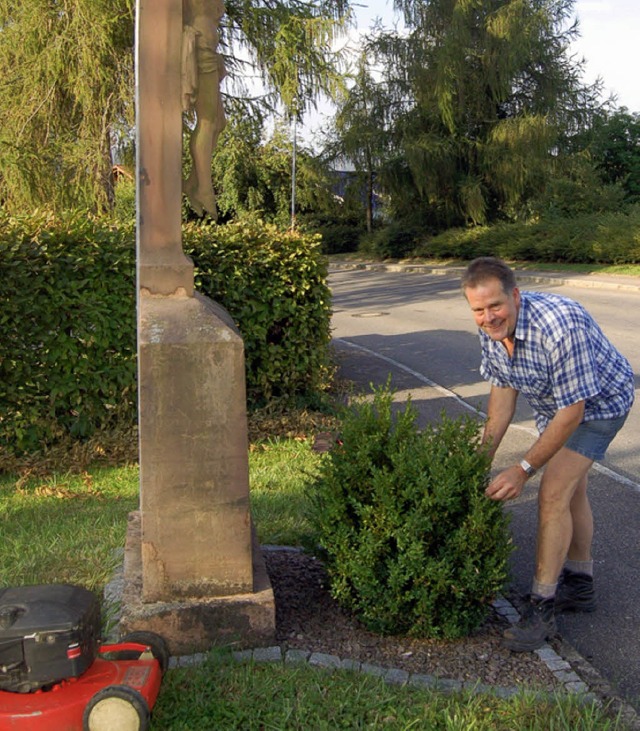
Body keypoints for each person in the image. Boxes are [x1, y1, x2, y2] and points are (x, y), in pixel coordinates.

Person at [462, 257, 634, 652]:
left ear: (515, 296)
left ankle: (542, 607)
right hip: (554, 407)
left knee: (553, 492)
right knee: (572, 491)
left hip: (599, 405)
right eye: (478, 310)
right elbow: (502, 401)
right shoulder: (491, 330)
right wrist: (475, 463)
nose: (488, 317)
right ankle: (580, 583)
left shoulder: (558, 325)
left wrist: (522, 469)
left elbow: (574, 411)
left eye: (495, 306)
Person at [182, 0, 227, 218]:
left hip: (210, 50)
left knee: (219, 123)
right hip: (200, 49)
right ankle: (204, 189)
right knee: (208, 121)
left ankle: (193, 181)